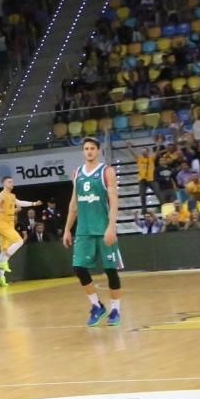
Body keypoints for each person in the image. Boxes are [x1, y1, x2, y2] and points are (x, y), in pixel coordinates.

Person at [65, 136, 124, 326]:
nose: (89, 151)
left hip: (103, 229)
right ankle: (97, 305)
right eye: (86, 148)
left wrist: (111, 226)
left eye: (92, 148)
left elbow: (114, 201)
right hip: (84, 230)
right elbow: (73, 204)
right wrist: (67, 229)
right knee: (79, 269)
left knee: (110, 271)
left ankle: (115, 310)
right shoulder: (77, 173)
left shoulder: (107, 172)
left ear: (98, 151)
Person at [0, 176, 41, 282]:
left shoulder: (12, 196)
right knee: (19, 241)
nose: (12, 183)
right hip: (2, 224)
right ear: (4, 183)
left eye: (12, 182)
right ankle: (3, 262)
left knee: (4, 249)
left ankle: (1, 277)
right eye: (9, 182)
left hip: (9, 224)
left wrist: (34, 203)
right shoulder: (1, 195)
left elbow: (20, 202)